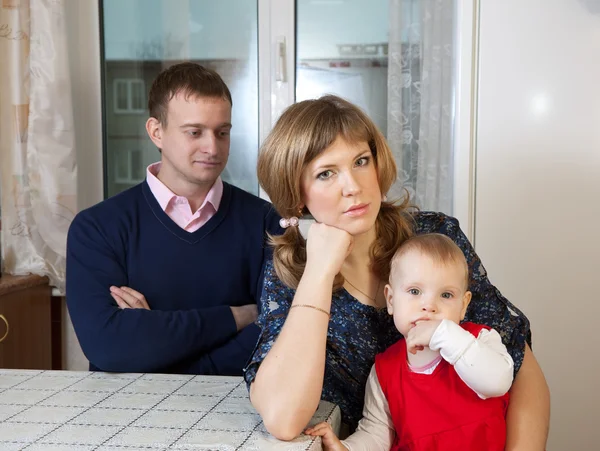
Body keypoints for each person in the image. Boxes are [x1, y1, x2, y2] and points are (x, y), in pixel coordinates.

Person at [245, 95, 550, 448]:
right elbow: (283, 419)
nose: (353, 186)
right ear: (296, 194)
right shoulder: (290, 273)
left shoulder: (435, 236)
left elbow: (518, 362)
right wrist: (319, 272)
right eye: (326, 173)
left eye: (361, 161)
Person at [66, 62, 281, 375]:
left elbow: (276, 337)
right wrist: (236, 317)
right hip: (124, 414)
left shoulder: (267, 224)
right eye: (195, 132)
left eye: (222, 132)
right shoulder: (97, 228)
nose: (212, 147)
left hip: (233, 412)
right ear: (156, 132)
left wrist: (155, 338)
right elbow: (110, 346)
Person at [305, 233, 514, 450]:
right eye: (415, 291)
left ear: (463, 305)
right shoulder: (385, 371)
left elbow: (496, 382)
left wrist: (443, 334)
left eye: (446, 295)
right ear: (392, 300)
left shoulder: (479, 340)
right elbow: (376, 434)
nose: (429, 305)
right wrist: (345, 448)